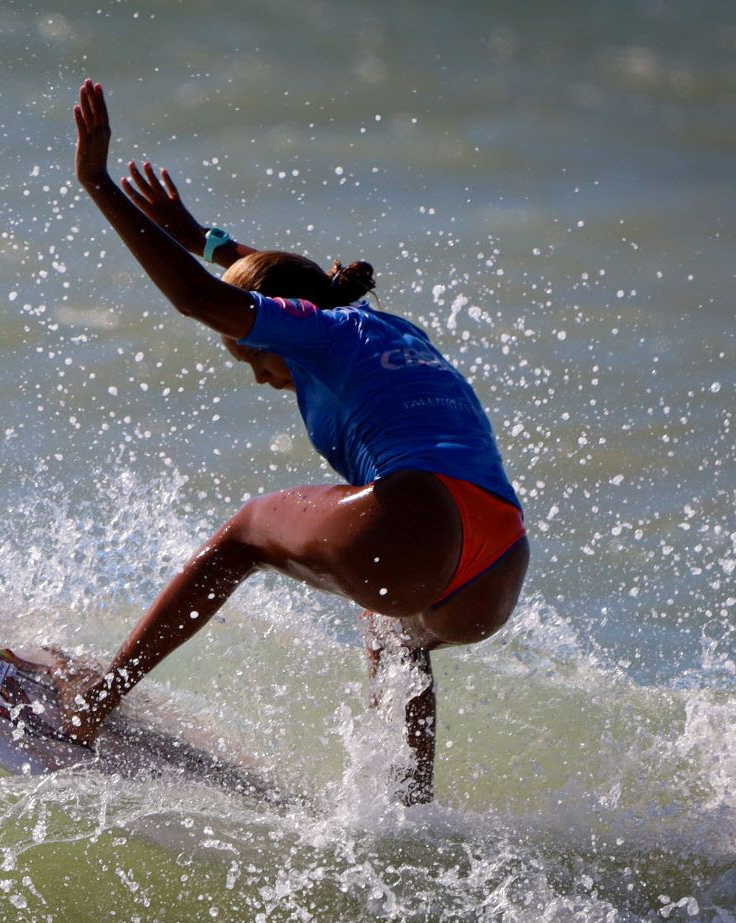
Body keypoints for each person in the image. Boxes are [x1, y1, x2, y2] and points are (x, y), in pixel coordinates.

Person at [59, 79, 528, 804]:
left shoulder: (315, 331)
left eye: (252, 357)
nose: (260, 376)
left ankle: (98, 697)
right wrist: (205, 239)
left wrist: (97, 183)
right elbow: (292, 284)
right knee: (395, 634)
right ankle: (405, 815)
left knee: (243, 536)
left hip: (420, 515)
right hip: (496, 566)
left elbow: (198, 299)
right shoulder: (389, 326)